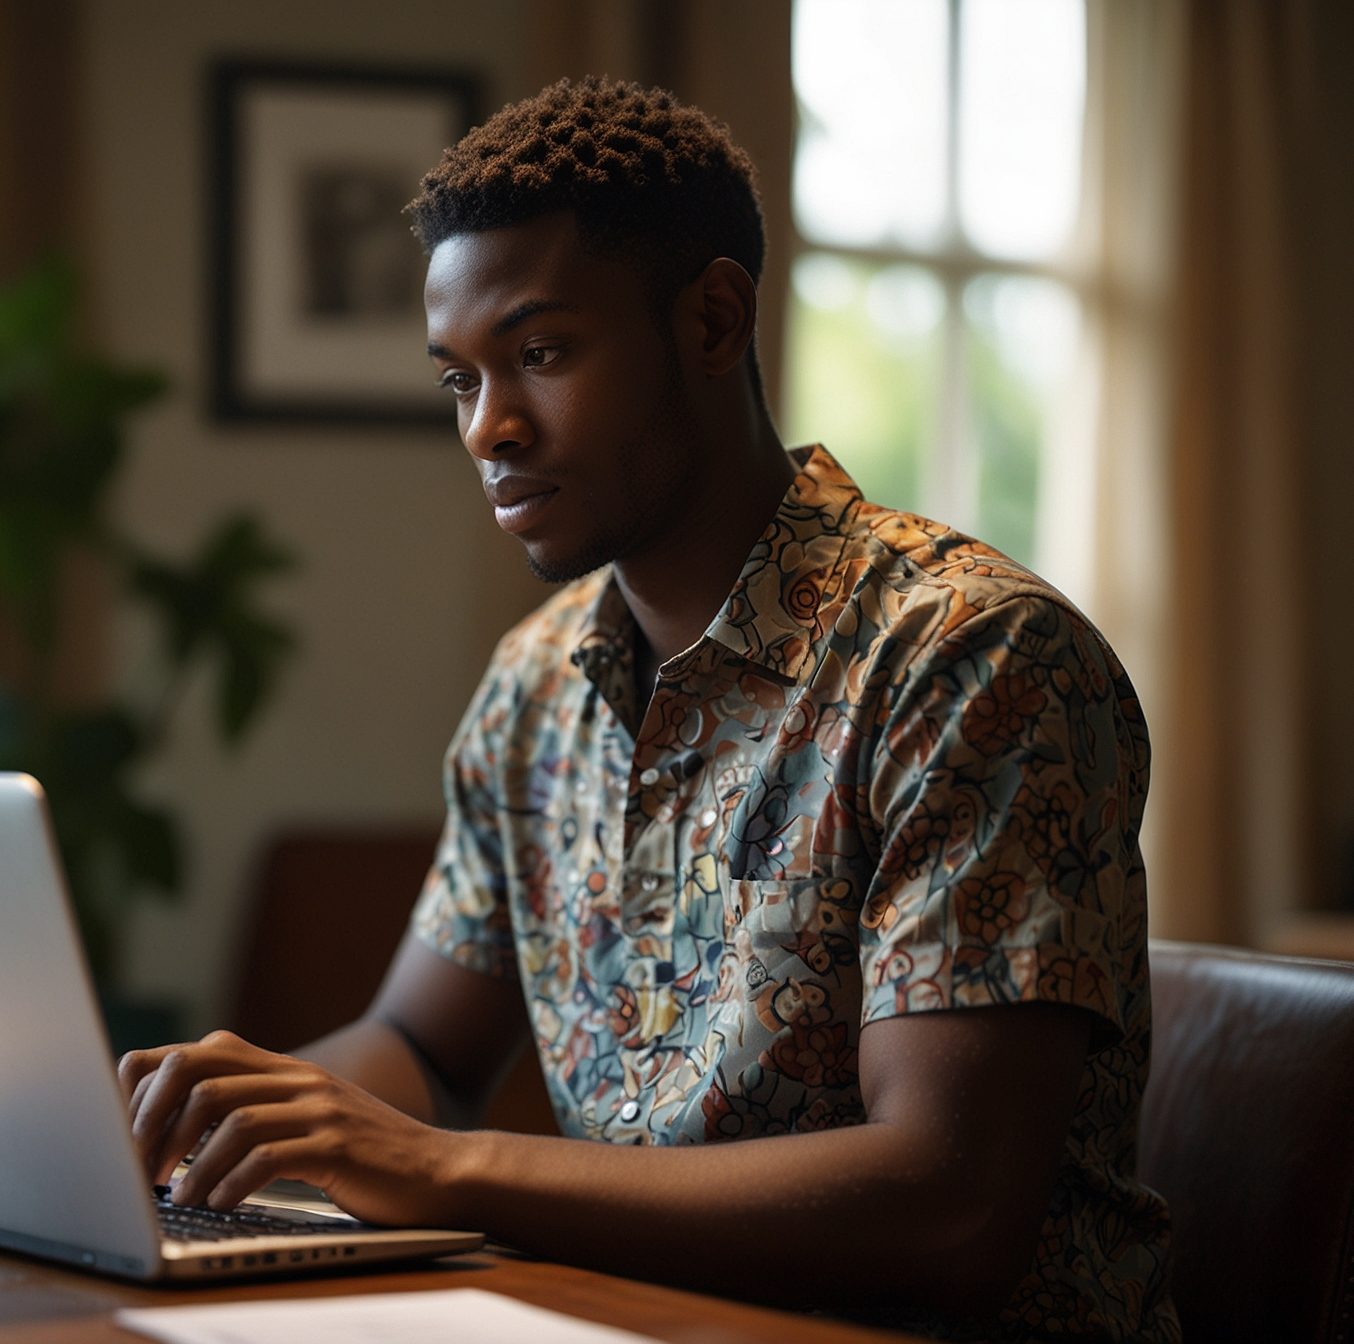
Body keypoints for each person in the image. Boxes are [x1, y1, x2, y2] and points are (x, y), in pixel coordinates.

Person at [118, 78, 1177, 1341]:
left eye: (541, 353)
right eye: (459, 379)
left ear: (714, 322)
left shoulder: (969, 660)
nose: (489, 429)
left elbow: (944, 1208)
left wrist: (437, 1167)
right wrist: (221, 1126)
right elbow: (423, 1041)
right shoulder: (534, 682)